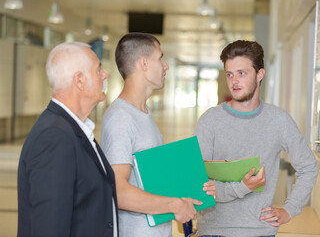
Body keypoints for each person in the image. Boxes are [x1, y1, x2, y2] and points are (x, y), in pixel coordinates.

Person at [194, 40, 318, 237]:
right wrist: (242, 187)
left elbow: (309, 167)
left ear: (260, 74)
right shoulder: (210, 120)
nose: (234, 81)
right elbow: (198, 184)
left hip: (260, 231)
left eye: (242, 73)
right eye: (229, 74)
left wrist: (289, 209)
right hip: (214, 230)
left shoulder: (279, 120)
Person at [101, 33, 216, 237]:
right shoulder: (121, 118)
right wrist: (174, 205)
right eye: (160, 58)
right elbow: (117, 190)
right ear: (143, 63)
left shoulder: (143, 113)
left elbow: (148, 180)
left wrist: (190, 194)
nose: (165, 66)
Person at [17, 42, 118, 237]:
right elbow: (49, 229)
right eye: (98, 70)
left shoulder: (72, 129)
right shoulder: (54, 138)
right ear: (79, 81)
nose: (105, 75)